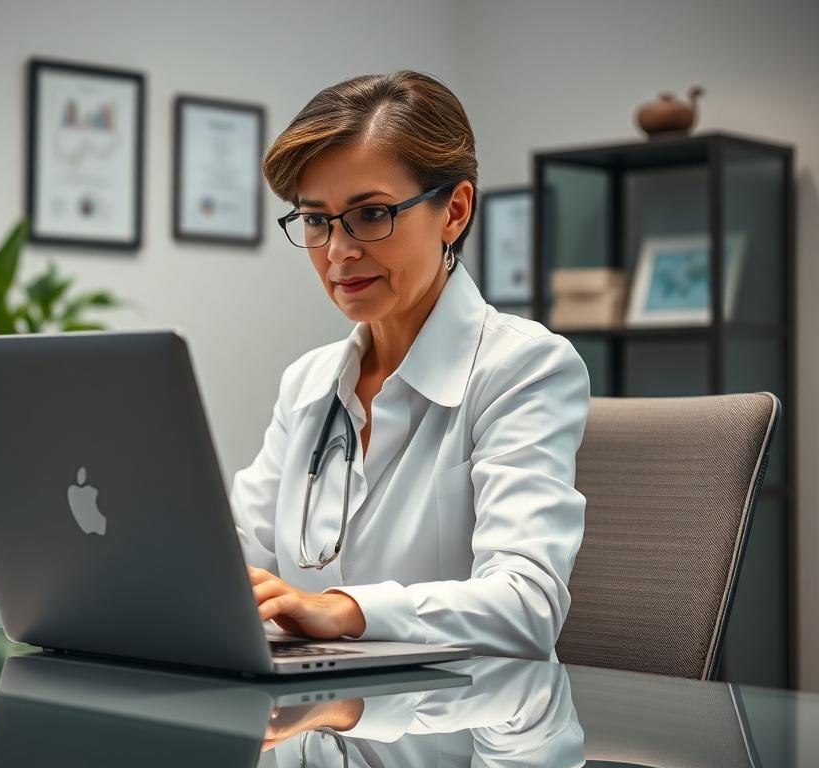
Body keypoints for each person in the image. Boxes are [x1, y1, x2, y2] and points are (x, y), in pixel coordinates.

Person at [230, 70, 590, 661]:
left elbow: (528, 606)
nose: (338, 251)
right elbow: (238, 560)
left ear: (454, 210)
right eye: (316, 220)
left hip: (463, 732)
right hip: (314, 727)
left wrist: (344, 610)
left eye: (370, 214)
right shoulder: (308, 383)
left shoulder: (525, 367)